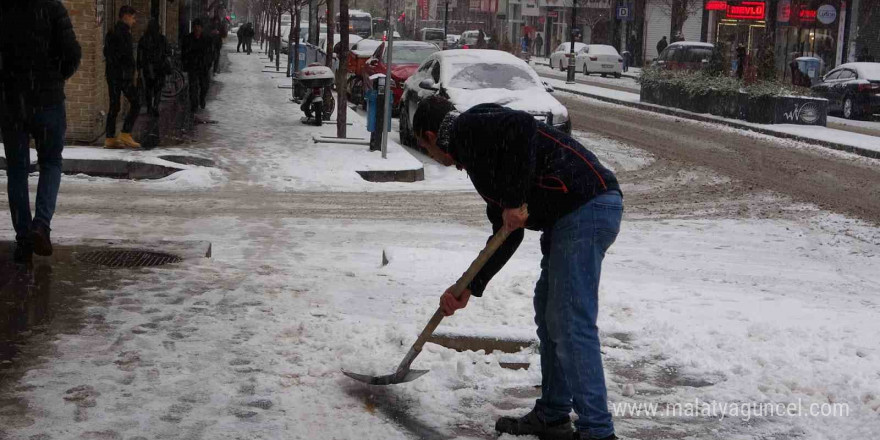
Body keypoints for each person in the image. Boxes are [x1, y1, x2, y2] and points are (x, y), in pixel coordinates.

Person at [412, 96, 622, 440]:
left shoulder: (470, 126)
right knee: (550, 314)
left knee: (570, 321)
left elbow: (521, 126)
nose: (429, 154)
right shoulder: (477, 158)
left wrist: (512, 200)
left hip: (587, 204)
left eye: (424, 145)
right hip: (567, 215)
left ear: (432, 136)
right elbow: (506, 234)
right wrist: (467, 286)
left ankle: (598, 432)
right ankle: (553, 417)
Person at [0, 0, 81, 262]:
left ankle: (23, 238)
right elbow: (72, 52)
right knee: (51, 162)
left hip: (12, 104)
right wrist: (55, 78)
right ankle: (41, 224)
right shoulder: (52, 8)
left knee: (17, 169)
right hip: (47, 101)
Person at [104, 5, 142, 149]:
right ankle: (125, 133)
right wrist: (128, 72)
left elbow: (107, 53)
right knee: (136, 102)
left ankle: (109, 137)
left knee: (114, 106)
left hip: (113, 75)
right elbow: (124, 56)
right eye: (133, 17)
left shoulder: (112, 31)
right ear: (125, 16)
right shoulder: (123, 32)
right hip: (122, 76)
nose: (134, 20)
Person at [138, 19, 169, 117]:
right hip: (160, 66)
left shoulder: (144, 39)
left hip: (148, 67)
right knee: (158, 88)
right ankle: (155, 105)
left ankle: (149, 107)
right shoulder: (162, 39)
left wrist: (139, 67)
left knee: (148, 88)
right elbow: (166, 51)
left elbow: (140, 54)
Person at [182, 19, 213, 112]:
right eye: (195, 26)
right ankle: (194, 105)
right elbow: (184, 53)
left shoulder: (207, 39)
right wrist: (185, 63)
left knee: (204, 86)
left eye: (199, 27)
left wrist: (209, 62)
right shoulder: (188, 39)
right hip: (192, 66)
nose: (197, 28)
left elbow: (211, 52)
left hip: (203, 66)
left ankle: (202, 98)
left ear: (202, 28)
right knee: (193, 87)